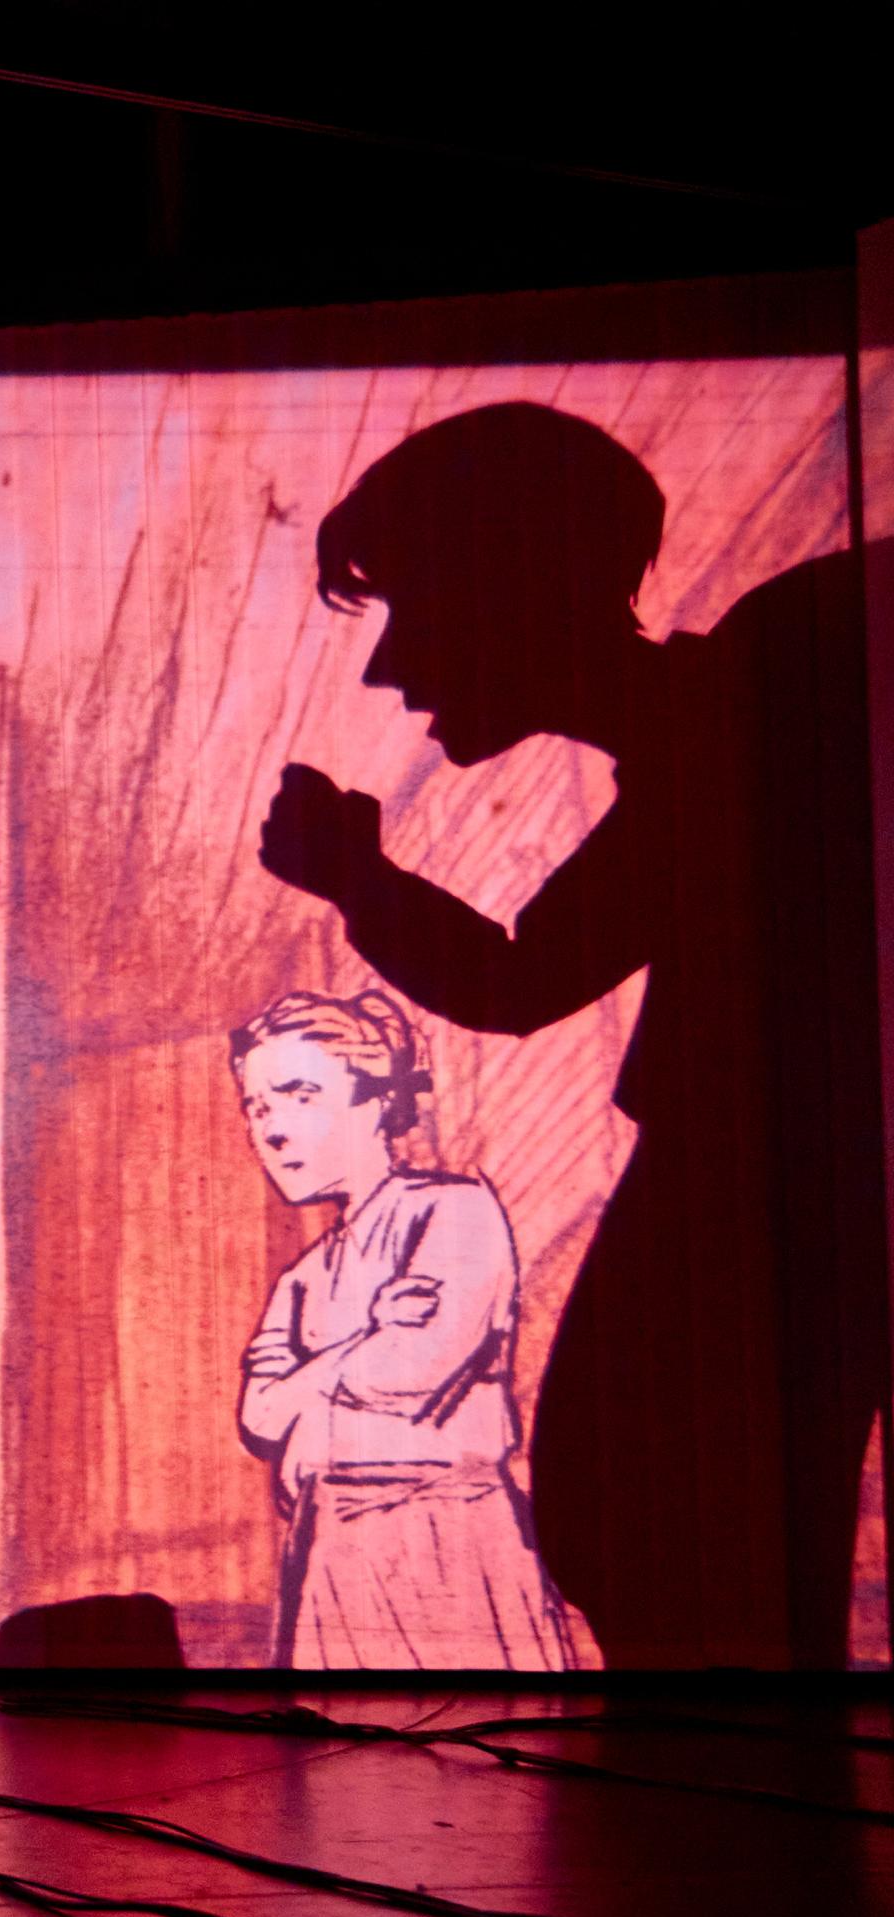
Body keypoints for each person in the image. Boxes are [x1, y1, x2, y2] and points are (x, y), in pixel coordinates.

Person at [255, 403, 881, 1670]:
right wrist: (359, 881)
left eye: (406, 609)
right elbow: (528, 971)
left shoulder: (762, 691)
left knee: (648, 1513)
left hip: (770, 1181)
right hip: (760, 1174)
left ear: (507, 584)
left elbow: (525, 975)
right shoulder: (723, 718)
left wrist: (356, 881)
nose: (389, 671)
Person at [230, 990, 569, 1672]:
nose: (272, 1130)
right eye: (258, 1107)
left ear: (377, 1100)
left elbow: (409, 1370)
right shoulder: (304, 1276)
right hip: (327, 1549)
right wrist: (357, 1343)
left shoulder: (455, 1210)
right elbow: (260, 1417)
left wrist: (316, 1379)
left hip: (448, 1540)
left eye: (300, 1095)